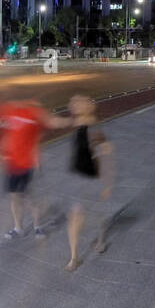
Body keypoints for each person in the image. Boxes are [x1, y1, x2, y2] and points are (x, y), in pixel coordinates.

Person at [52, 93, 112, 272]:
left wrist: (107, 183)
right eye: (73, 102)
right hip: (77, 177)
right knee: (75, 216)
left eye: (78, 102)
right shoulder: (76, 123)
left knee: (95, 214)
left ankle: (100, 238)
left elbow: (106, 155)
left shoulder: (94, 128)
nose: (73, 105)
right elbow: (57, 122)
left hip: (92, 178)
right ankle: (74, 257)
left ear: (88, 106)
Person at [0, 95, 48, 240]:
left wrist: (36, 159)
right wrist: (0, 155)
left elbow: (34, 140)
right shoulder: (10, 118)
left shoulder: (30, 119)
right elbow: (6, 137)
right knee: (14, 197)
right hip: (12, 165)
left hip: (26, 164)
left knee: (28, 196)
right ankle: (18, 228)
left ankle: (37, 227)